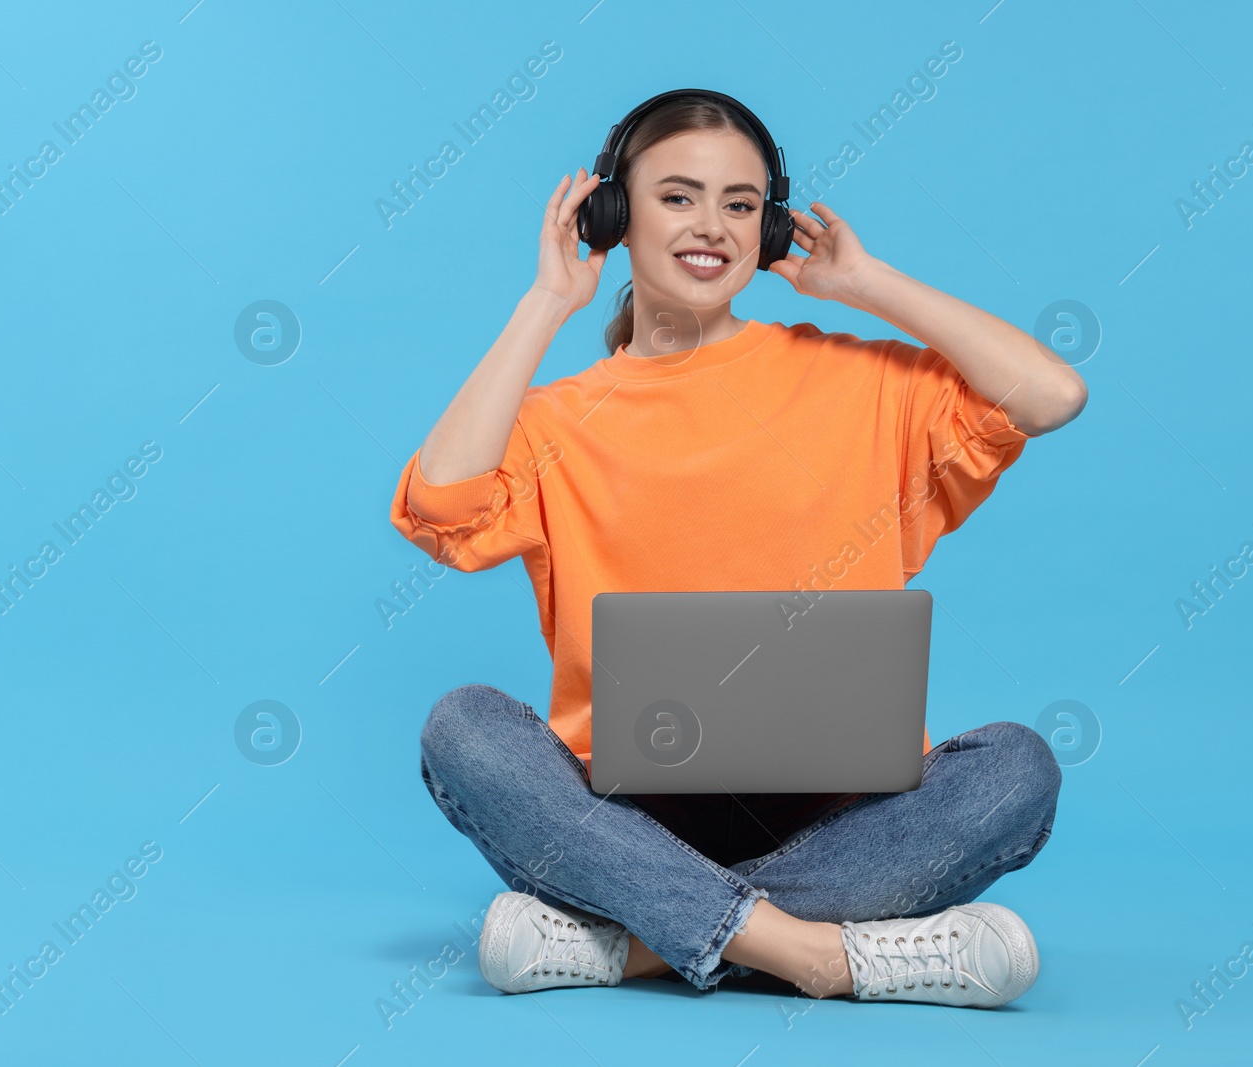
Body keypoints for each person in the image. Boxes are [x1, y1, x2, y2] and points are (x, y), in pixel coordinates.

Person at [388, 90, 1085, 1009]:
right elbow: (442, 509)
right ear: (611, 215)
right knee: (461, 728)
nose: (711, 225)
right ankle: (823, 956)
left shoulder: (858, 381)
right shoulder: (556, 421)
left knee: (1017, 767)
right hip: (625, 815)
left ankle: (636, 944)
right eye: (677, 197)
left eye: (742, 204)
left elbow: (1050, 394)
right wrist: (547, 301)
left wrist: (868, 285)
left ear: (771, 227)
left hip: (844, 819)